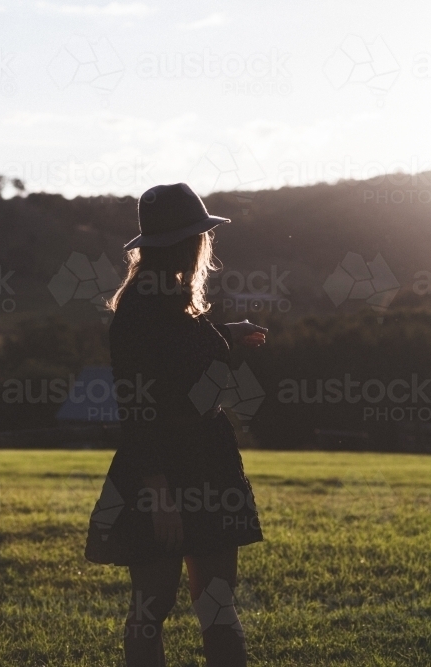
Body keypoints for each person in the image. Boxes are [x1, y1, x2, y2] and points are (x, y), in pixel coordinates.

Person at [84, 183, 267, 667]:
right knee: (152, 607)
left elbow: (179, 351)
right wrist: (159, 493)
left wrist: (227, 334)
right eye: (200, 235)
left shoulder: (177, 298)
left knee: (217, 607)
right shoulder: (140, 309)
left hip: (208, 460)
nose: (206, 243)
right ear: (186, 242)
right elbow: (138, 406)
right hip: (161, 468)